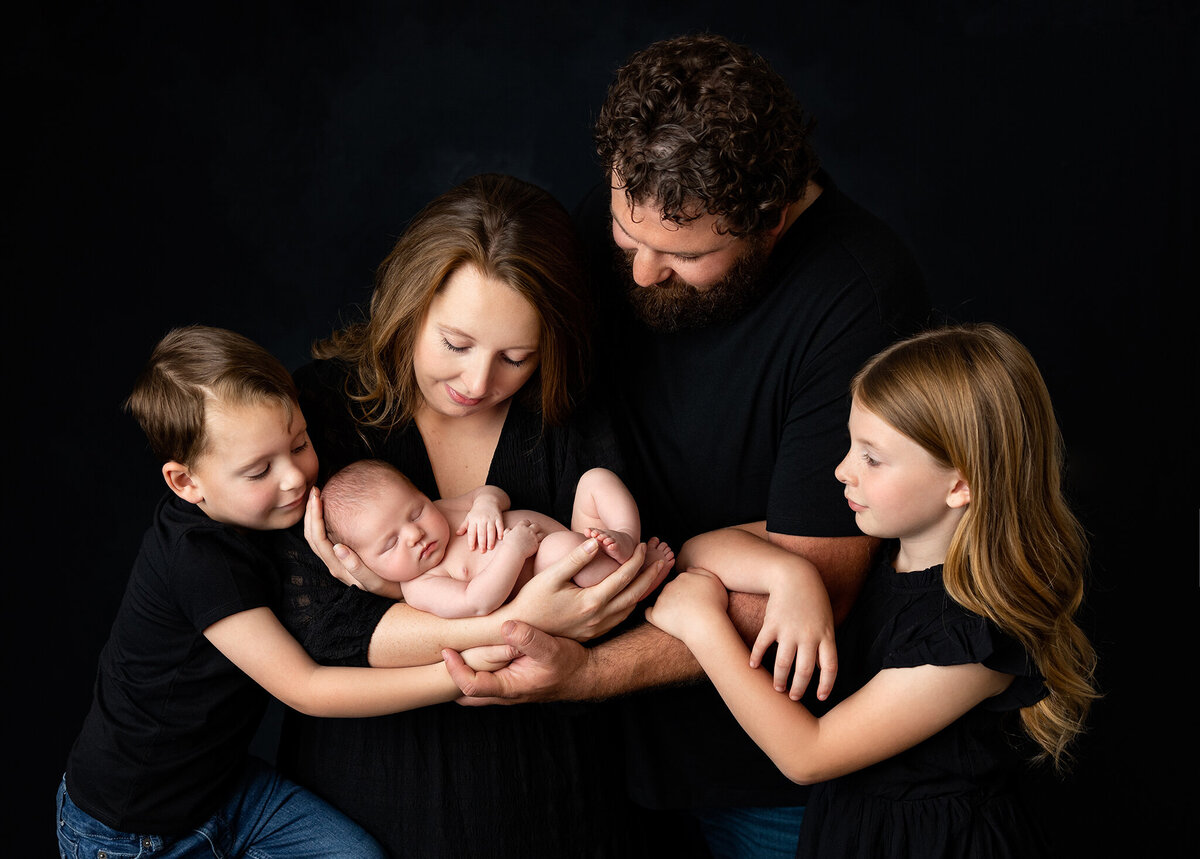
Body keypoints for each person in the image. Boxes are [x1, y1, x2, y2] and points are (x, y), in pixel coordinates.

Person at [442, 34, 932, 858]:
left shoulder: (860, 296)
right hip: (590, 762)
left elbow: (817, 584)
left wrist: (588, 669)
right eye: (627, 237)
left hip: (760, 771)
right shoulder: (629, 212)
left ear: (769, 220)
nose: (639, 275)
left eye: (685, 255)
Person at [274, 173, 669, 857]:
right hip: (366, 806)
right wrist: (537, 619)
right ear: (409, 305)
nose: (478, 382)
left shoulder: (567, 415)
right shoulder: (321, 415)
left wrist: (398, 602)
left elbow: (618, 595)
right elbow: (326, 628)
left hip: (553, 802)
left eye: (516, 357)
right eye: (455, 344)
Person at [57, 325, 521, 859]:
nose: (294, 478)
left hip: (225, 790)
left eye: (299, 444)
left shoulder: (292, 508)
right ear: (186, 483)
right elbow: (305, 688)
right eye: (259, 470)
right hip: (129, 826)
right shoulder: (198, 559)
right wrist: (456, 675)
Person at [644, 324, 1099, 856]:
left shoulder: (975, 637)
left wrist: (705, 628)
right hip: (847, 829)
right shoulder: (877, 541)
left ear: (960, 484)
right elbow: (704, 548)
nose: (842, 471)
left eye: (872, 458)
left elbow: (807, 756)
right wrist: (792, 576)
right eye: (851, 445)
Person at [321, 460, 651, 616]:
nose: (414, 533)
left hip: (576, 534)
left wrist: (485, 503)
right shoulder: (421, 586)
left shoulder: (441, 510)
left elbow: (492, 492)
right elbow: (477, 602)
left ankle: (624, 538)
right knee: (559, 548)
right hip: (559, 579)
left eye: (415, 511)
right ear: (363, 564)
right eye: (391, 543)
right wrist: (513, 550)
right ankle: (629, 569)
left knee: (596, 479)